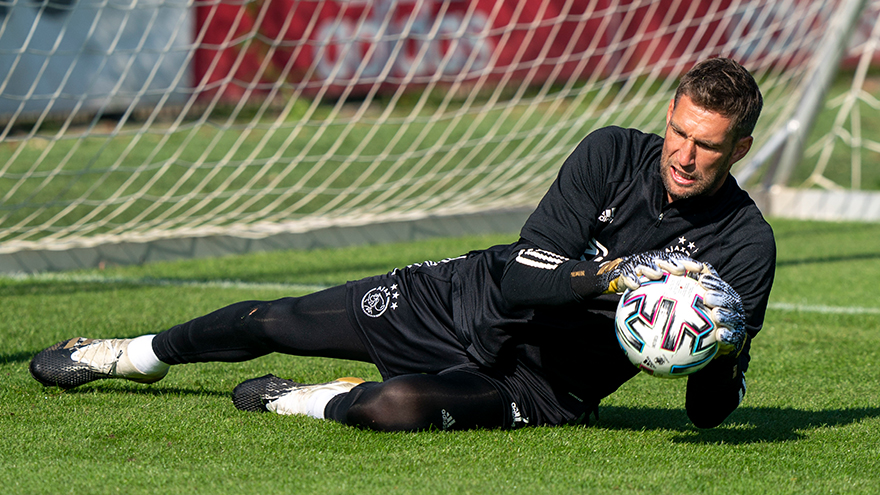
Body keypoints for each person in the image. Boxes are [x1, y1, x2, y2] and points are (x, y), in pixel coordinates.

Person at [29, 57, 775, 432]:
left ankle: (301, 400)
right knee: (271, 320)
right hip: (461, 300)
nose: (682, 154)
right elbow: (523, 277)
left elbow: (707, 415)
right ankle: (130, 355)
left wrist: (721, 344)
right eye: (678, 131)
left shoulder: (745, 245)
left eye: (705, 145)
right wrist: (614, 278)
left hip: (545, 386)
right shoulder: (613, 153)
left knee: (393, 407)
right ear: (667, 117)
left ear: (738, 147)